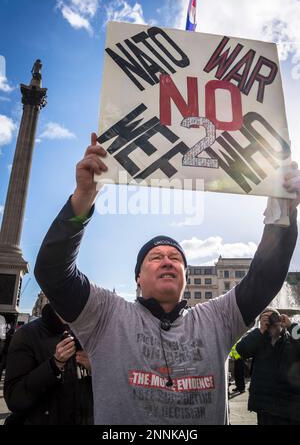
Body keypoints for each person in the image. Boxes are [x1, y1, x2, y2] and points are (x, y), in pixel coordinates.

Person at [34, 133, 300, 425]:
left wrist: (281, 212)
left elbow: (265, 277)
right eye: (155, 257)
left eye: (176, 258)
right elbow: (53, 272)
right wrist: (83, 198)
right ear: (138, 276)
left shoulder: (217, 318)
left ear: (185, 277)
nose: (167, 261)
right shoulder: (106, 316)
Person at [4, 303, 93, 425]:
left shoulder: (88, 334)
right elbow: (14, 398)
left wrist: (95, 368)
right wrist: (54, 365)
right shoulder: (26, 335)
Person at [236, 308, 300, 425]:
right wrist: (260, 330)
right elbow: (241, 350)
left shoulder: (292, 340)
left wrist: (291, 326)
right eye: (267, 320)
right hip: (266, 407)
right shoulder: (259, 342)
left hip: (291, 407)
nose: (271, 322)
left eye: (274, 318)